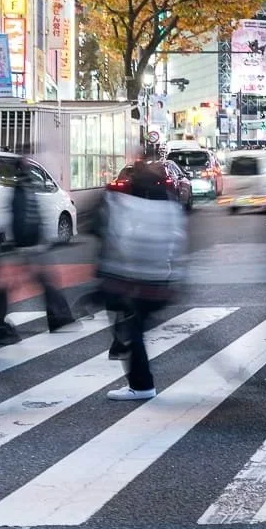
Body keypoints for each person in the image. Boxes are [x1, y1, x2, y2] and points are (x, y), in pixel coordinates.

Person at [94, 157, 188, 401]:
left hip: (134, 282)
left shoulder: (125, 206)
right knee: (134, 326)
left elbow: (117, 241)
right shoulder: (169, 206)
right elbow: (176, 242)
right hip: (161, 281)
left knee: (132, 329)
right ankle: (127, 354)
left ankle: (141, 384)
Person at [0, 157, 76, 345]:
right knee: (43, 282)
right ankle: (58, 319)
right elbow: (30, 217)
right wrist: (36, 242)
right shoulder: (25, 189)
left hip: (20, 245)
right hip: (28, 246)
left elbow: (12, 217)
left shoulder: (17, 189)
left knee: (10, 285)